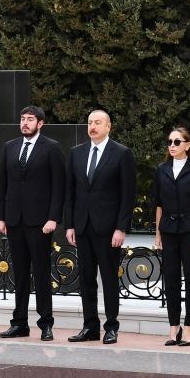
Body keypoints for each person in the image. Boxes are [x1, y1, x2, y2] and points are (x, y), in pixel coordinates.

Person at [64, 109, 136, 344]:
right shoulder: (76, 153)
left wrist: (121, 227)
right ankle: (90, 326)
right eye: (90, 122)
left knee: (108, 278)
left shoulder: (122, 153)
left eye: (98, 122)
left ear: (108, 126)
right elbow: (71, 192)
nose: (92, 126)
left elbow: (128, 194)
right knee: (85, 278)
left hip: (108, 228)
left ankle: (111, 327)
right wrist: (70, 225)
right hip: (82, 226)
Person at [0, 106, 65, 342]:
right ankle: (19, 323)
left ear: (40, 123)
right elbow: (2, 184)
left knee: (42, 273)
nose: (25, 123)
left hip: (40, 222)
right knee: (21, 274)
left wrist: (53, 218)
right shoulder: (10, 147)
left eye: (30, 119)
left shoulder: (52, 148)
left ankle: (46, 323)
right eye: (22, 119)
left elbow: (59, 187)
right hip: (14, 220)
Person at [153, 127, 190, 347]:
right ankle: (173, 328)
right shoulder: (162, 169)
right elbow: (158, 203)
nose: (172, 146)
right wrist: (157, 232)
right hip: (168, 229)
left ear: (188, 145)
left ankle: (189, 327)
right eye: (169, 141)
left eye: (177, 142)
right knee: (170, 279)